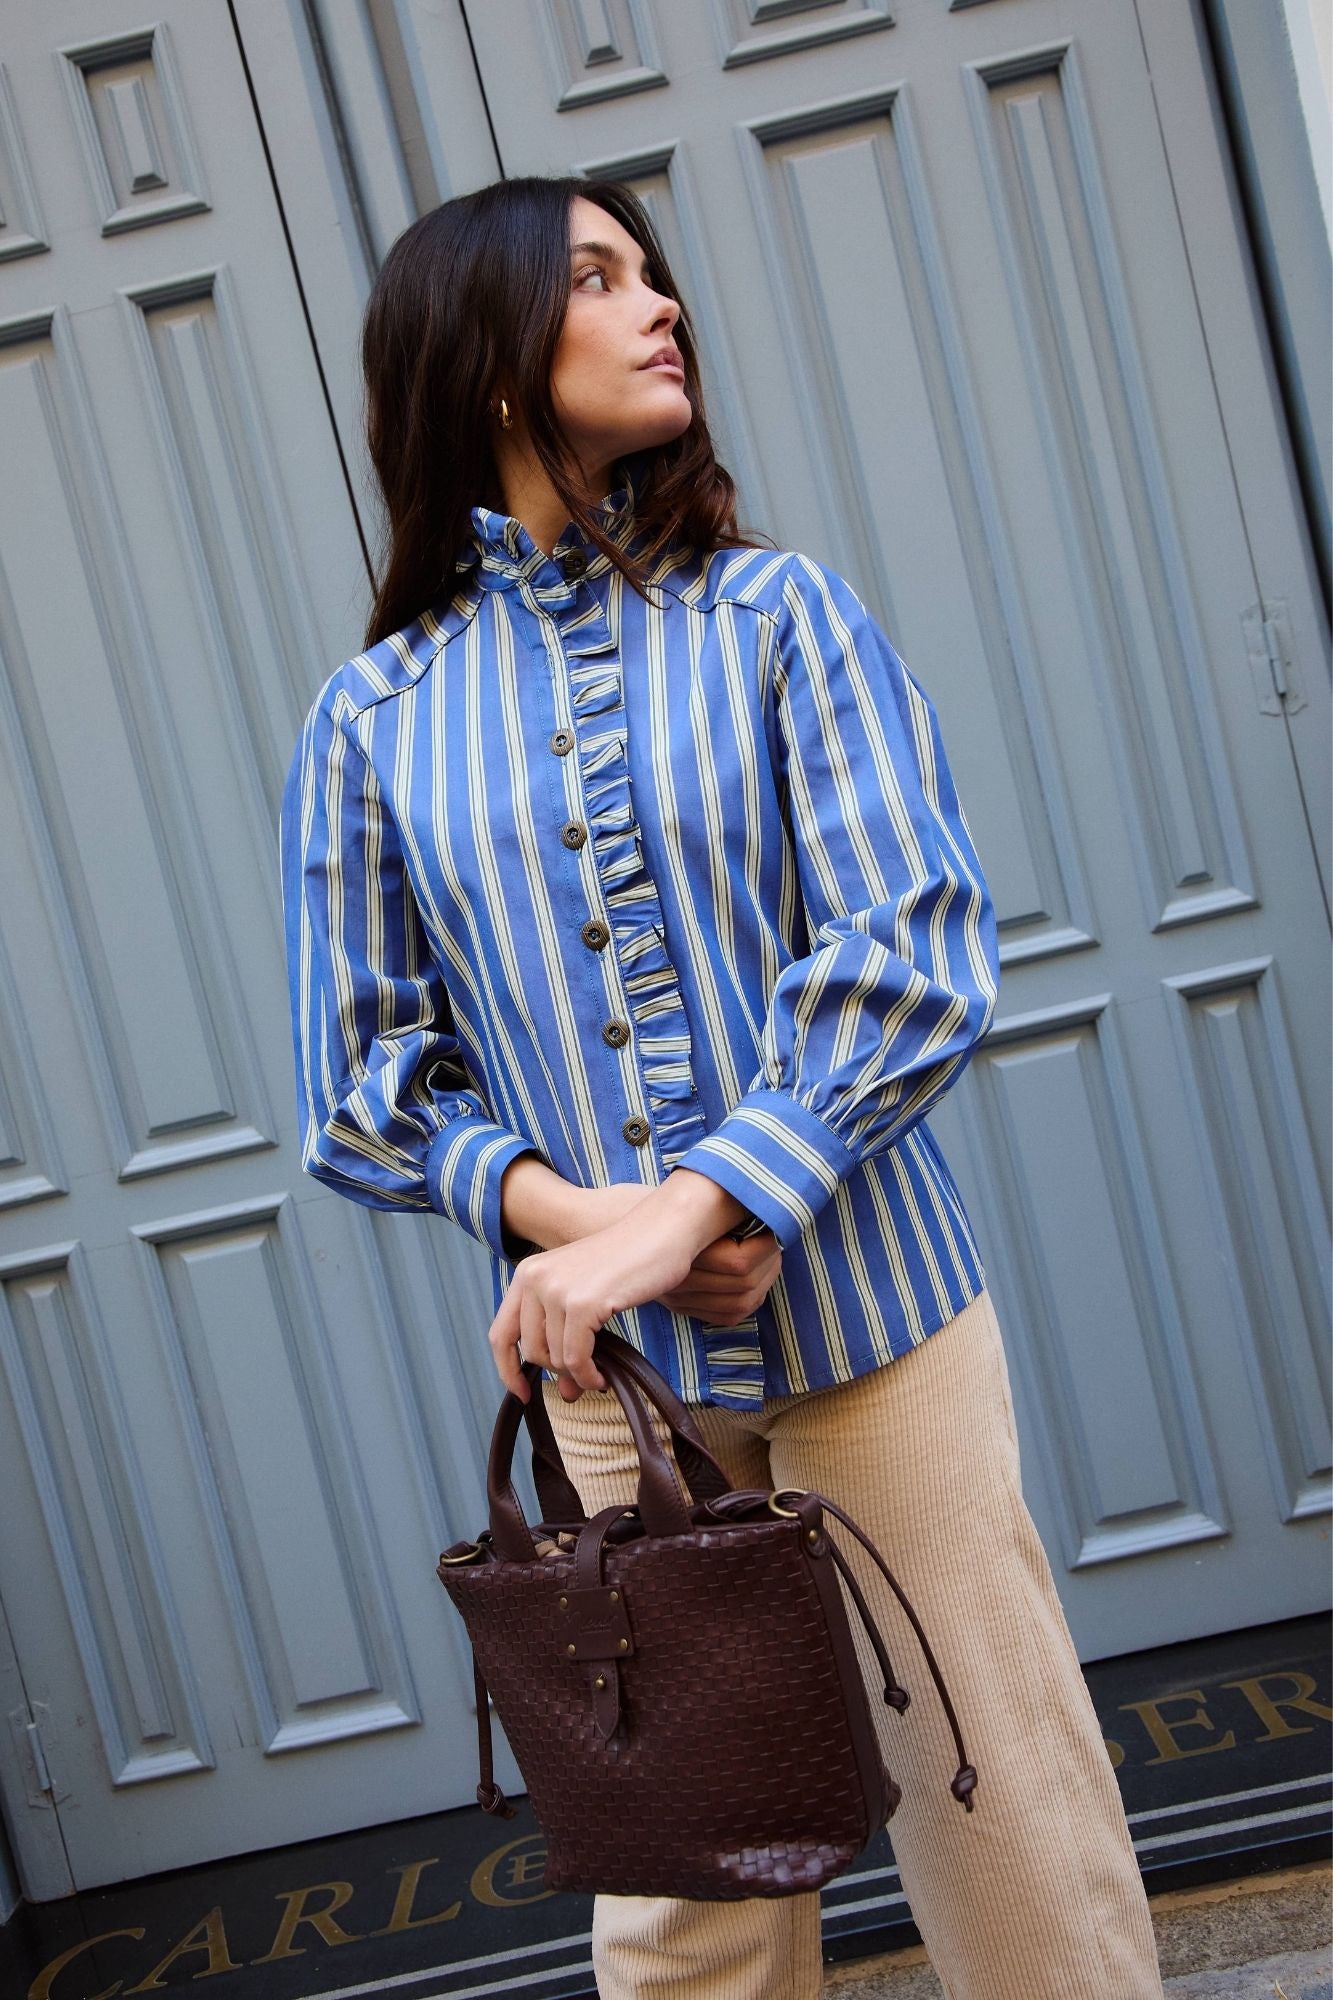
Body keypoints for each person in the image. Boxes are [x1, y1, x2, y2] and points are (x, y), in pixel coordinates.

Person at [279, 174, 1166, 2000]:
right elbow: (362, 1080)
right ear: (488, 359)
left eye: (652, 273)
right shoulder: (373, 721)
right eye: (596, 278)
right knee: (687, 1896)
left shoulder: (779, 619)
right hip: (615, 1395)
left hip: (881, 1335)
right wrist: (587, 1224)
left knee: (999, 1806)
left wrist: (710, 1202)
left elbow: (911, 946)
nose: (659, 304)